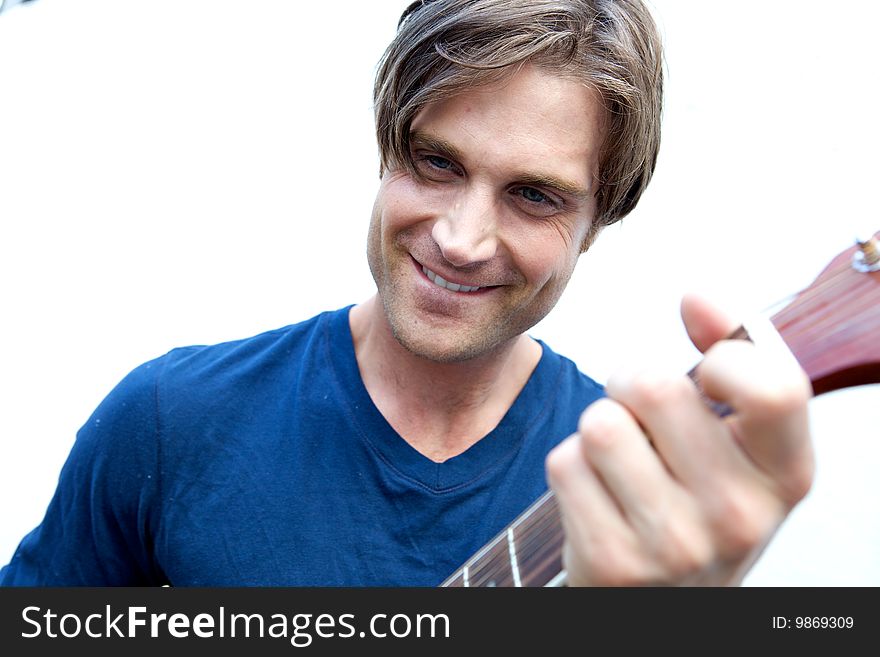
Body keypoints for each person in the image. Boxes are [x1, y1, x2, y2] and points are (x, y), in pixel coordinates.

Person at [0, 0, 813, 586]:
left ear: (599, 220)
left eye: (534, 195)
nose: (460, 238)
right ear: (388, 145)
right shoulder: (168, 421)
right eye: (438, 163)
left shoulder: (629, 494)